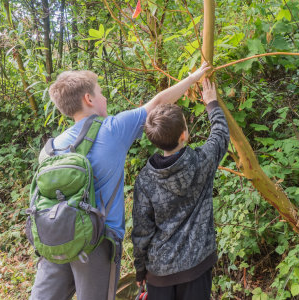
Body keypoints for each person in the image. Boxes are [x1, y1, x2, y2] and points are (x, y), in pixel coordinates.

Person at [30, 62, 211, 300]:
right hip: (98, 242)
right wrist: (194, 77)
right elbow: (157, 103)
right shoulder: (113, 129)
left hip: (54, 239)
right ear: (89, 99)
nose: (104, 97)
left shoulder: (50, 148)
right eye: (100, 92)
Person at [131, 78, 230, 300]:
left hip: (159, 272)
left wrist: (140, 268)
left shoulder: (145, 180)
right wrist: (211, 103)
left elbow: (142, 231)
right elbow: (221, 134)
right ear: (184, 134)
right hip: (196, 268)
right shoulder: (202, 161)